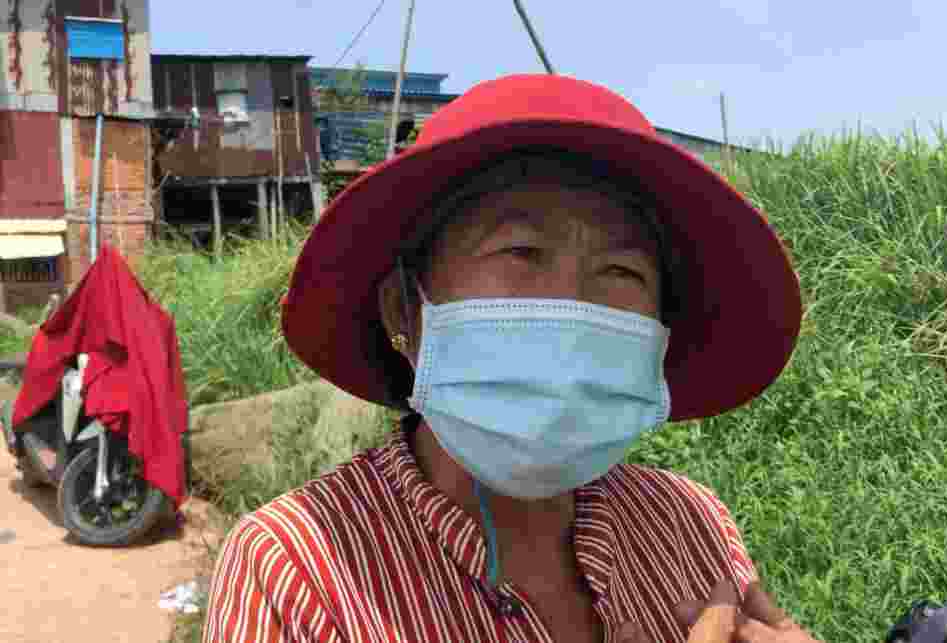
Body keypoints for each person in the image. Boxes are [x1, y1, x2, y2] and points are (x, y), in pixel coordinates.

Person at [203, 74, 816, 643]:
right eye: (521, 252)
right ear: (403, 312)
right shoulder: (298, 570)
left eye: (622, 271)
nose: (572, 311)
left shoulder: (689, 526)